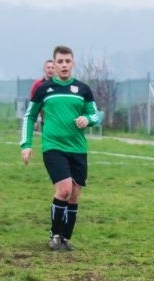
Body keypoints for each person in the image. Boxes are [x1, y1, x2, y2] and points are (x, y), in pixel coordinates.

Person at [20, 45, 101, 252]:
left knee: (74, 194)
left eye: (67, 61)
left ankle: (65, 238)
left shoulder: (83, 89)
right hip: (53, 147)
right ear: (53, 65)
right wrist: (26, 145)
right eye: (60, 62)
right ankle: (54, 235)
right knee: (63, 190)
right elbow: (29, 116)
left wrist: (87, 119)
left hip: (78, 149)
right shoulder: (44, 89)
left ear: (73, 63)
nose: (64, 65)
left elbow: (96, 115)